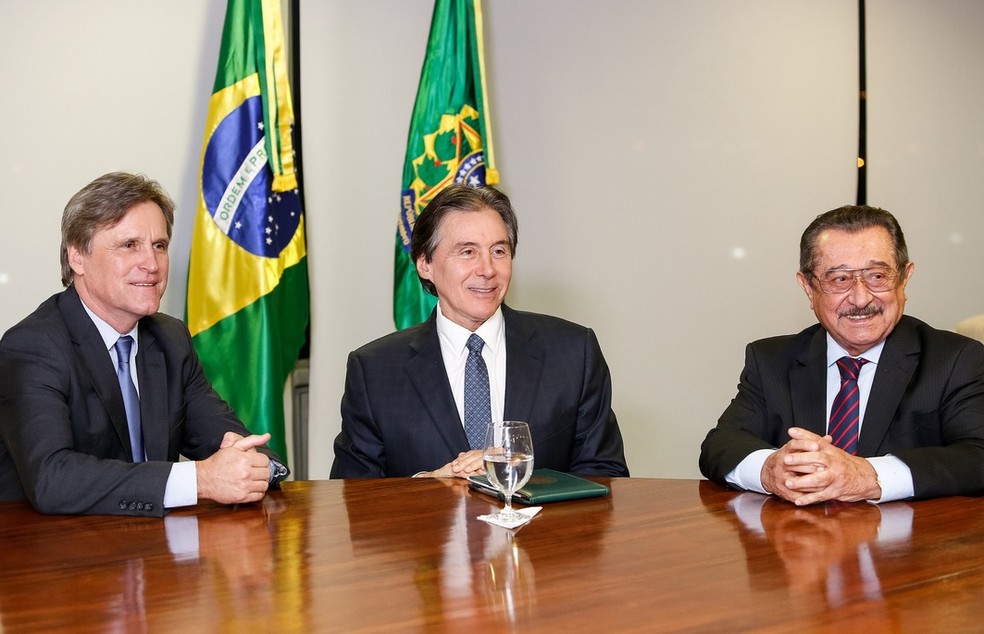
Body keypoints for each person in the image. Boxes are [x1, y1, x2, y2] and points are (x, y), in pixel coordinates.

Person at [0, 171, 288, 516]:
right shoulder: (32, 346)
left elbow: (238, 442)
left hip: (156, 552)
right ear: (77, 256)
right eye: (129, 245)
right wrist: (200, 479)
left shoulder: (169, 339)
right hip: (57, 555)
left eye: (159, 246)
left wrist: (256, 466)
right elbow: (53, 479)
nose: (151, 265)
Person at [330, 184, 629, 478]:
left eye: (499, 251)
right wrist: (426, 491)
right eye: (467, 252)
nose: (487, 269)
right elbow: (353, 500)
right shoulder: (374, 371)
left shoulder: (574, 353)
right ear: (425, 264)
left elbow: (607, 476)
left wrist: (518, 475)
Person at [699, 205, 984, 505]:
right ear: (808, 288)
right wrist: (770, 470)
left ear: (904, 278)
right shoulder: (771, 360)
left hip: (908, 545)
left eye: (877, 276)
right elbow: (719, 446)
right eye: (839, 279)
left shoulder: (956, 360)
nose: (861, 299)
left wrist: (868, 475)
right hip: (800, 544)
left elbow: (978, 455)